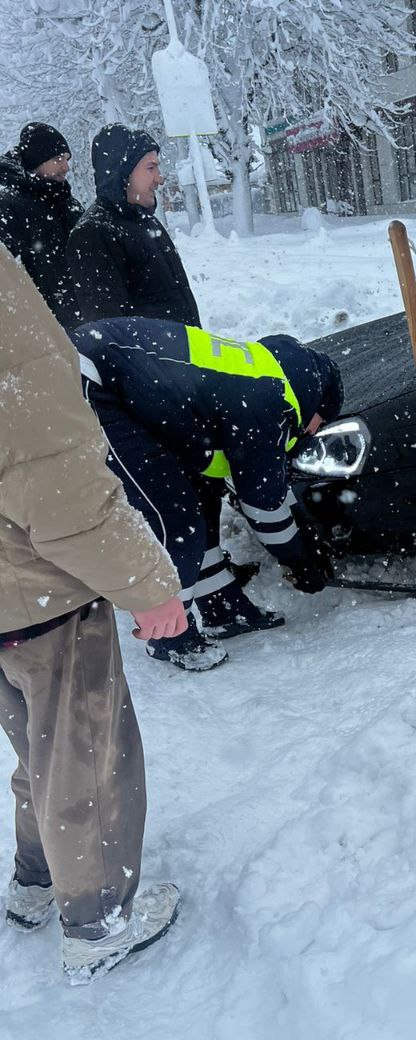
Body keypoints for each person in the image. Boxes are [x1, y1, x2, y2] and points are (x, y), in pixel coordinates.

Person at [0, 242, 187, 983]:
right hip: (40, 595)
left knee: (41, 747)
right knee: (87, 757)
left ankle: (37, 878)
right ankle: (98, 918)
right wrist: (150, 586)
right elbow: (62, 492)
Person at [71, 316, 343, 670]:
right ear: (317, 404)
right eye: (321, 423)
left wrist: (298, 525)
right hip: (90, 384)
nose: (312, 432)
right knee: (174, 517)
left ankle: (223, 607)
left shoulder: (262, 374)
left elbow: (253, 482)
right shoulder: (271, 403)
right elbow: (262, 505)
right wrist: (301, 560)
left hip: (109, 371)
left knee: (199, 498)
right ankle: (169, 637)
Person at [69, 123, 200, 326]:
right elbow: (111, 331)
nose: (160, 178)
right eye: (150, 168)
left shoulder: (145, 220)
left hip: (183, 345)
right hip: (159, 348)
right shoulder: (94, 233)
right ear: (121, 172)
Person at [0, 122, 82, 325]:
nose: (65, 167)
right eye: (58, 159)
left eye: (67, 159)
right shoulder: (9, 206)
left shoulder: (64, 200)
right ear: (36, 160)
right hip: (48, 324)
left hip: (82, 317)